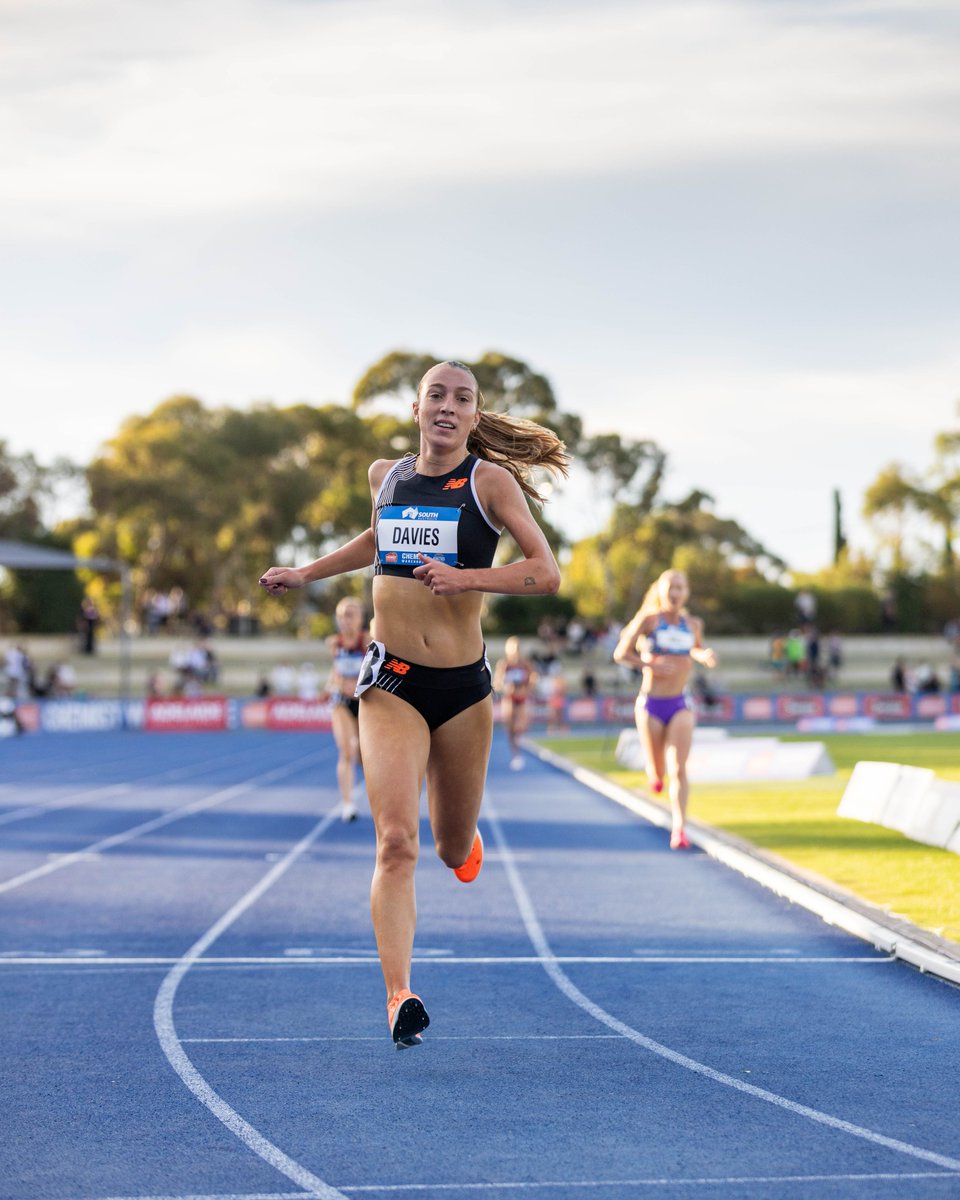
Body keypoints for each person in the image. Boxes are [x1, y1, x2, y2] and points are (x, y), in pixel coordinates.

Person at [260, 359, 566, 1049]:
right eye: (438, 395)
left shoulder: (490, 483)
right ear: (418, 407)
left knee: (449, 844)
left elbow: (545, 573)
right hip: (390, 679)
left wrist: (467, 577)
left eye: (463, 398)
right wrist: (305, 572)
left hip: (462, 690)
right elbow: (376, 540)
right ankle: (400, 996)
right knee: (396, 843)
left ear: (475, 416)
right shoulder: (385, 477)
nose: (448, 407)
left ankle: (464, 842)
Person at [613, 568, 717, 850]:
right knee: (659, 772)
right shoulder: (649, 620)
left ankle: (679, 828)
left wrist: (702, 654)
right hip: (650, 704)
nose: (675, 593)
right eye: (670, 587)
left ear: (687, 592)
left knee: (679, 768)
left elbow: (694, 648)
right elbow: (621, 653)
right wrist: (650, 664)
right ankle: (654, 775)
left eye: (680, 587)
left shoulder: (693, 623)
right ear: (660, 591)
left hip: (679, 703)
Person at [325, 597, 371, 821]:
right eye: (342, 615)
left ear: (361, 618)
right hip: (341, 702)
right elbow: (335, 672)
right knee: (346, 751)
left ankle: (375, 796)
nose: (346, 620)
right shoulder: (334, 643)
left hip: (365, 703)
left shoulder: (368, 641)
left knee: (364, 754)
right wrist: (331, 686)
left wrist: (361, 686)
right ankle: (347, 805)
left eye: (351, 614)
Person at [493, 636, 538, 770]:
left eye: (517, 648)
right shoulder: (505, 664)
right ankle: (515, 754)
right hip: (509, 697)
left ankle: (520, 742)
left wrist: (528, 688)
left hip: (522, 697)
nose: (515, 650)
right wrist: (505, 685)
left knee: (521, 724)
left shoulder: (525, 664)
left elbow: (533, 678)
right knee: (510, 728)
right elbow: (497, 682)